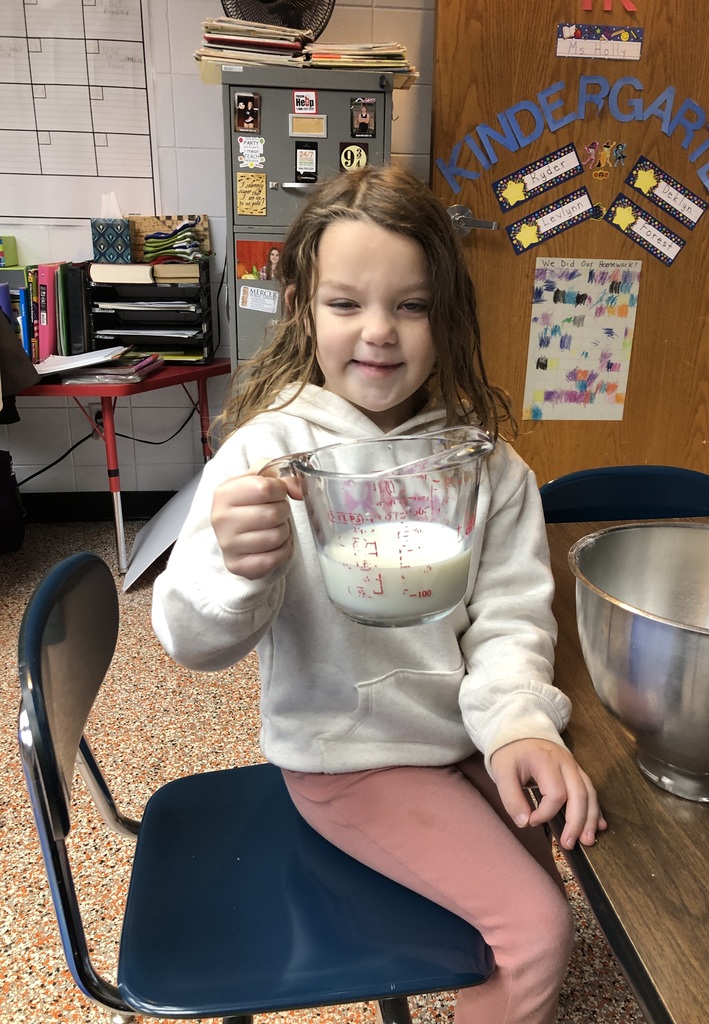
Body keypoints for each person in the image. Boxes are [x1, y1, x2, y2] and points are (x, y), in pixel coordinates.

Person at [152, 165, 607, 1024]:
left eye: (412, 304)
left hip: (462, 744)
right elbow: (190, 640)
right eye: (345, 302)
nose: (379, 332)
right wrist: (234, 566)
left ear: (449, 315)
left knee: (532, 887)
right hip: (348, 761)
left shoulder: (488, 468)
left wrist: (516, 724)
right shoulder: (268, 455)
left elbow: (509, 618)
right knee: (541, 929)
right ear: (300, 306)